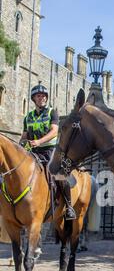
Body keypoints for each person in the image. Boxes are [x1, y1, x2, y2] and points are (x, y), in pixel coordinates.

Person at [20, 84, 77, 220]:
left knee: (59, 174)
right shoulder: (28, 117)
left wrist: (39, 141)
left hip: (50, 151)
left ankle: (69, 207)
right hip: (32, 151)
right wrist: (20, 145)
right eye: (39, 96)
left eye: (44, 96)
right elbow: (24, 135)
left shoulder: (52, 112)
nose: (42, 98)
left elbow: (53, 131)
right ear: (34, 99)